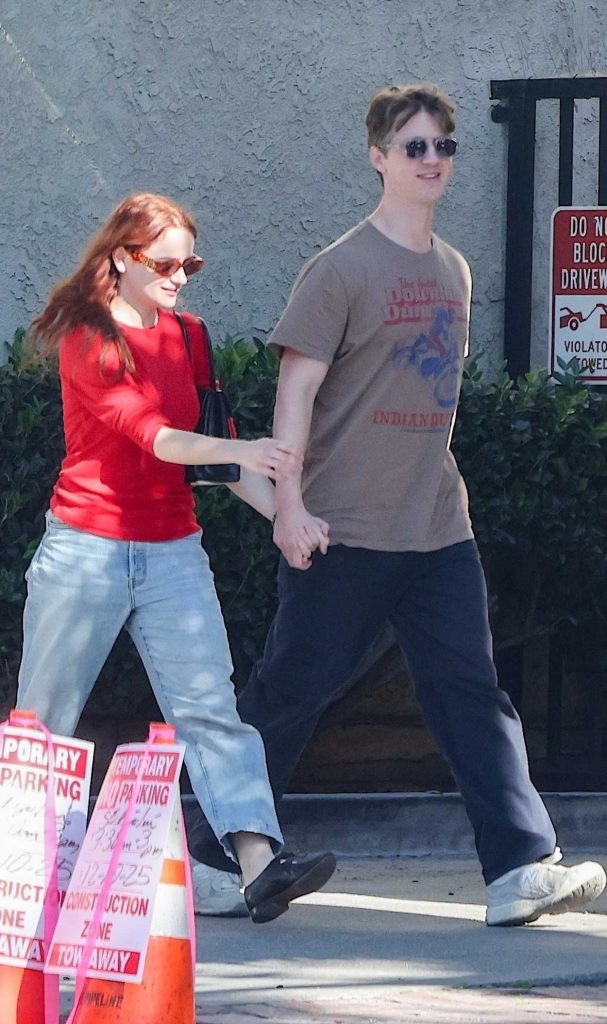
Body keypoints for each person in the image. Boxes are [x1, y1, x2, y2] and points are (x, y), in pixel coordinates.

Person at [188, 84, 607, 926]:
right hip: (342, 529)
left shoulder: (452, 269)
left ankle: (518, 870)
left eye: (443, 146)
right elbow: (295, 394)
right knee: (291, 690)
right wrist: (288, 507)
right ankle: (207, 853)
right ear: (378, 157)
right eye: (414, 146)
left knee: (470, 692)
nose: (431, 160)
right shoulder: (339, 269)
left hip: (437, 528)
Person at [16, 192, 336, 924]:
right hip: (87, 548)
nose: (179, 277)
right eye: (164, 263)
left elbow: (213, 462)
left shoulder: (189, 337)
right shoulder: (89, 336)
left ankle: (259, 865)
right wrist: (244, 451)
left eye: (189, 264)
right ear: (120, 257)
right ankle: (25, 881)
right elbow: (155, 437)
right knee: (46, 723)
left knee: (211, 711)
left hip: (172, 553)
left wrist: (288, 516)